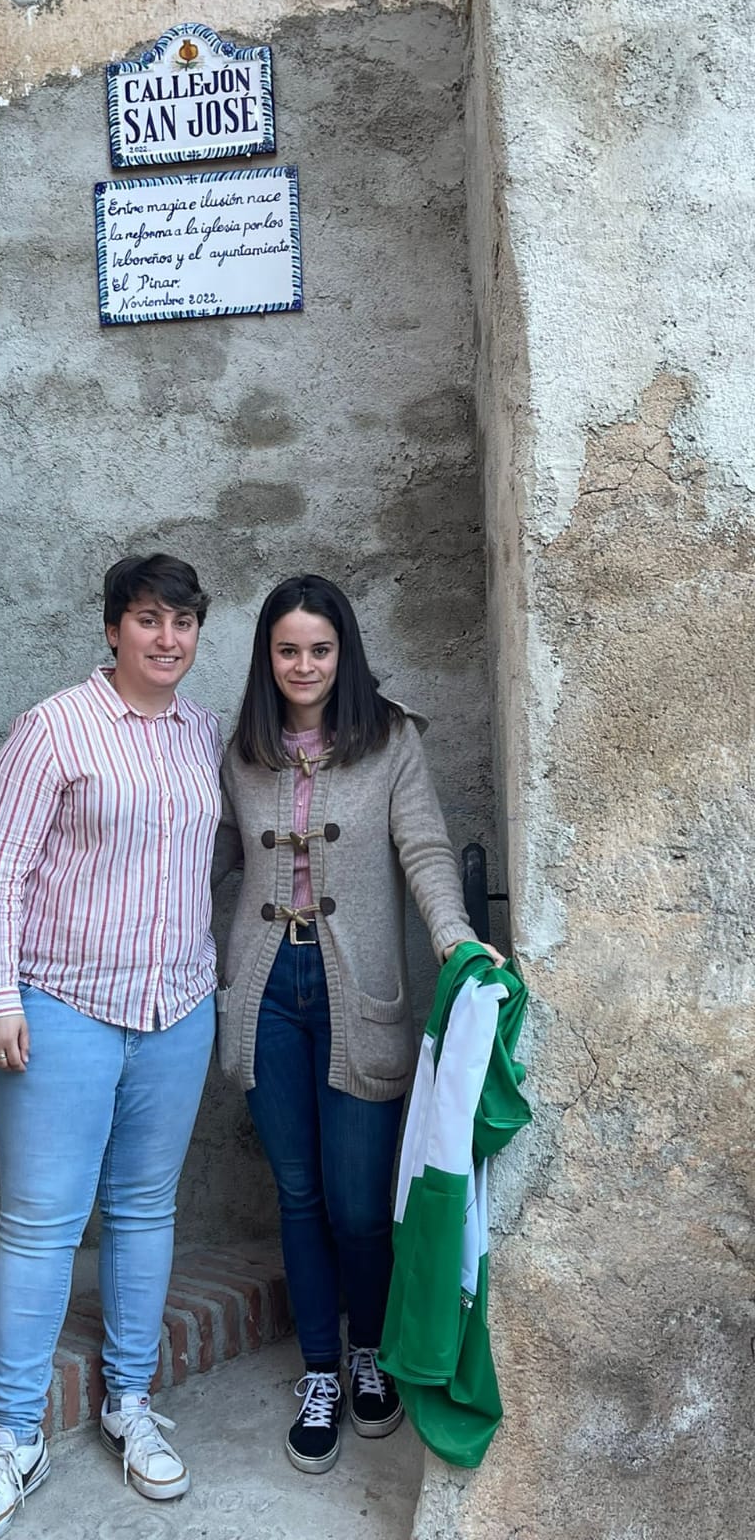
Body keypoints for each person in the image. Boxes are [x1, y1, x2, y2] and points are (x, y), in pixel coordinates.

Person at [0, 554, 222, 1540]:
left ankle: (129, 1403)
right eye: (148, 619)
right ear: (113, 629)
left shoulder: (203, 733)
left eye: (182, 622)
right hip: (61, 1006)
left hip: (177, 1007)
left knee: (145, 1209)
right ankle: (16, 1435)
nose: (166, 638)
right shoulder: (53, 727)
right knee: (41, 1223)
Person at [212, 575, 504, 1476]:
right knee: (298, 1194)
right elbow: (202, 860)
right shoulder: (242, 751)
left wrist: (455, 939)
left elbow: (423, 847)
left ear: (345, 653)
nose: (304, 665)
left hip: (358, 994)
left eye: (320, 649)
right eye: (287, 649)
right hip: (265, 991)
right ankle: (320, 1373)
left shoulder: (390, 739)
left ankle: (369, 1351)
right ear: (267, 657)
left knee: (358, 1203)